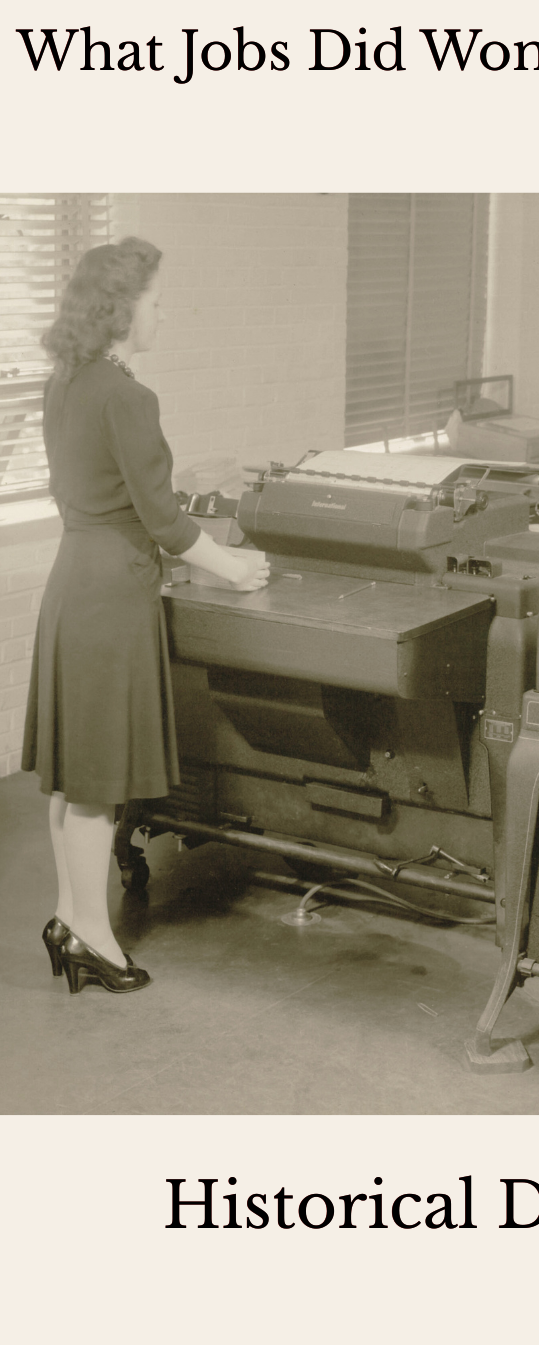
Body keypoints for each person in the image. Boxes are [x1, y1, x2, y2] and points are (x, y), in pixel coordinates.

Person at [22, 237, 270, 995]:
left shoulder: (66, 381)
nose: (163, 311)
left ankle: (69, 918)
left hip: (73, 583)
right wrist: (237, 569)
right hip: (111, 596)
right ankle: (95, 938)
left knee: (74, 780)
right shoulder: (129, 396)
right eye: (157, 299)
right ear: (124, 308)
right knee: (98, 780)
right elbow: (164, 520)